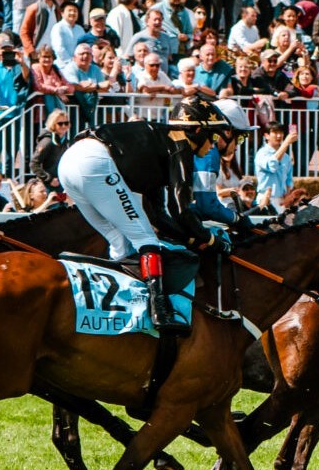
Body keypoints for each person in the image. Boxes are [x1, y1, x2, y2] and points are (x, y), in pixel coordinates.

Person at [52, 93, 254, 330]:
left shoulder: (158, 144)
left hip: (69, 164)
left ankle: (118, 305)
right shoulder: (180, 145)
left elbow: (159, 214)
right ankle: (159, 308)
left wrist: (191, 237)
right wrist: (210, 240)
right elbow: (181, 209)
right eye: (212, 136)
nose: (212, 145)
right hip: (93, 163)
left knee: (120, 243)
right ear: (197, 131)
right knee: (146, 240)